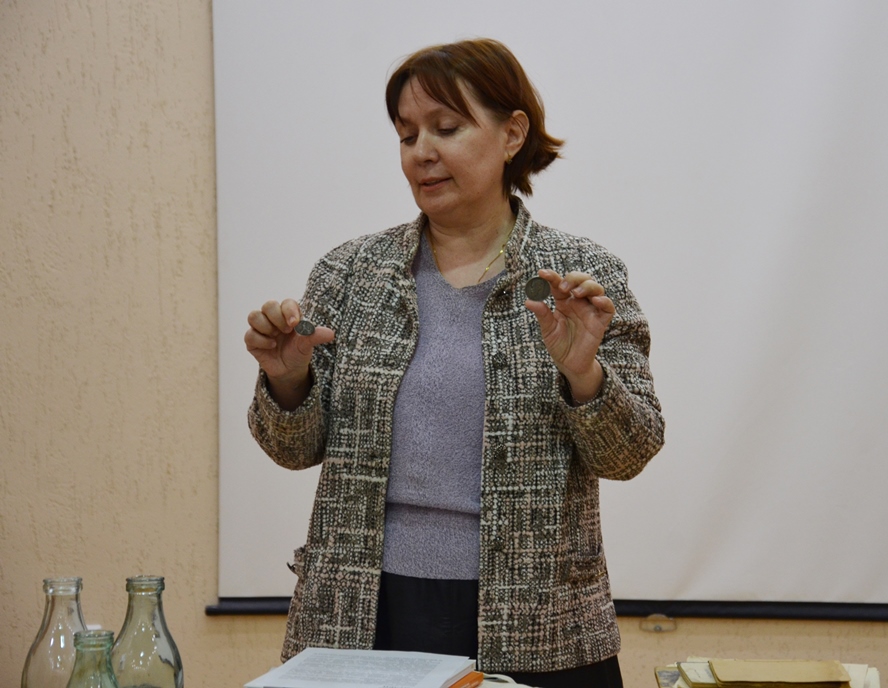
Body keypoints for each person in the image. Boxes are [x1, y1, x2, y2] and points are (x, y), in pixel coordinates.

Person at [244, 38, 664, 688]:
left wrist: (585, 375)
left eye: (446, 128)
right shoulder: (350, 274)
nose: (422, 152)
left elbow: (630, 453)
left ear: (511, 134)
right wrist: (286, 378)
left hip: (539, 621)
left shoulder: (581, 276)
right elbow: (292, 448)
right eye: (406, 134)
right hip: (364, 611)